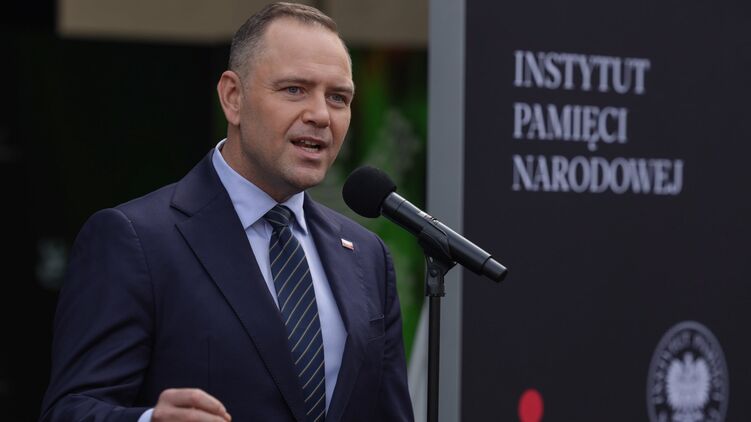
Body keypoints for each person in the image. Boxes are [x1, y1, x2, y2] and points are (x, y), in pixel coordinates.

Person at [39, 3, 414, 421]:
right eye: (294, 89)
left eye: (338, 98)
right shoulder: (136, 239)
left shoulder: (367, 256)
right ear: (233, 97)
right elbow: (69, 410)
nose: (320, 115)